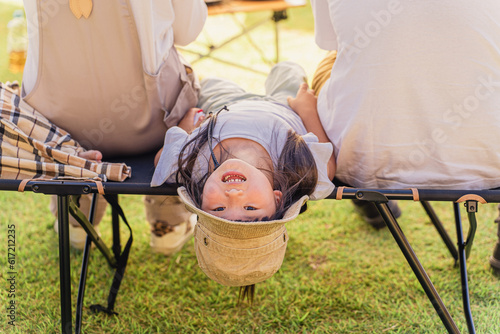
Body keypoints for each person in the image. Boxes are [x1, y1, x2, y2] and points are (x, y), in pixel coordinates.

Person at [309, 0, 500, 267]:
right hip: (492, 161)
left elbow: (332, 44)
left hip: (365, 163)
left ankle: (371, 205)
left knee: (333, 61)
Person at [21, 0, 208, 252]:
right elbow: (188, 31)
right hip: (150, 124)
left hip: (60, 128)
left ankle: (77, 216)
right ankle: (168, 218)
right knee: (189, 96)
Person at [151, 61, 335, 297]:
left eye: (218, 208)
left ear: (199, 202)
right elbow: (329, 160)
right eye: (250, 207)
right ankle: (283, 69)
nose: (234, 195)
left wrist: (189, 122)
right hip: (285, 106)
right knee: (288, 70)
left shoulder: (190, 165)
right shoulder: (297, 169)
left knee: (210, 80)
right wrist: (307, 109)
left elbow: (161, 158)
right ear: (277, 199)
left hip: (223, 105)